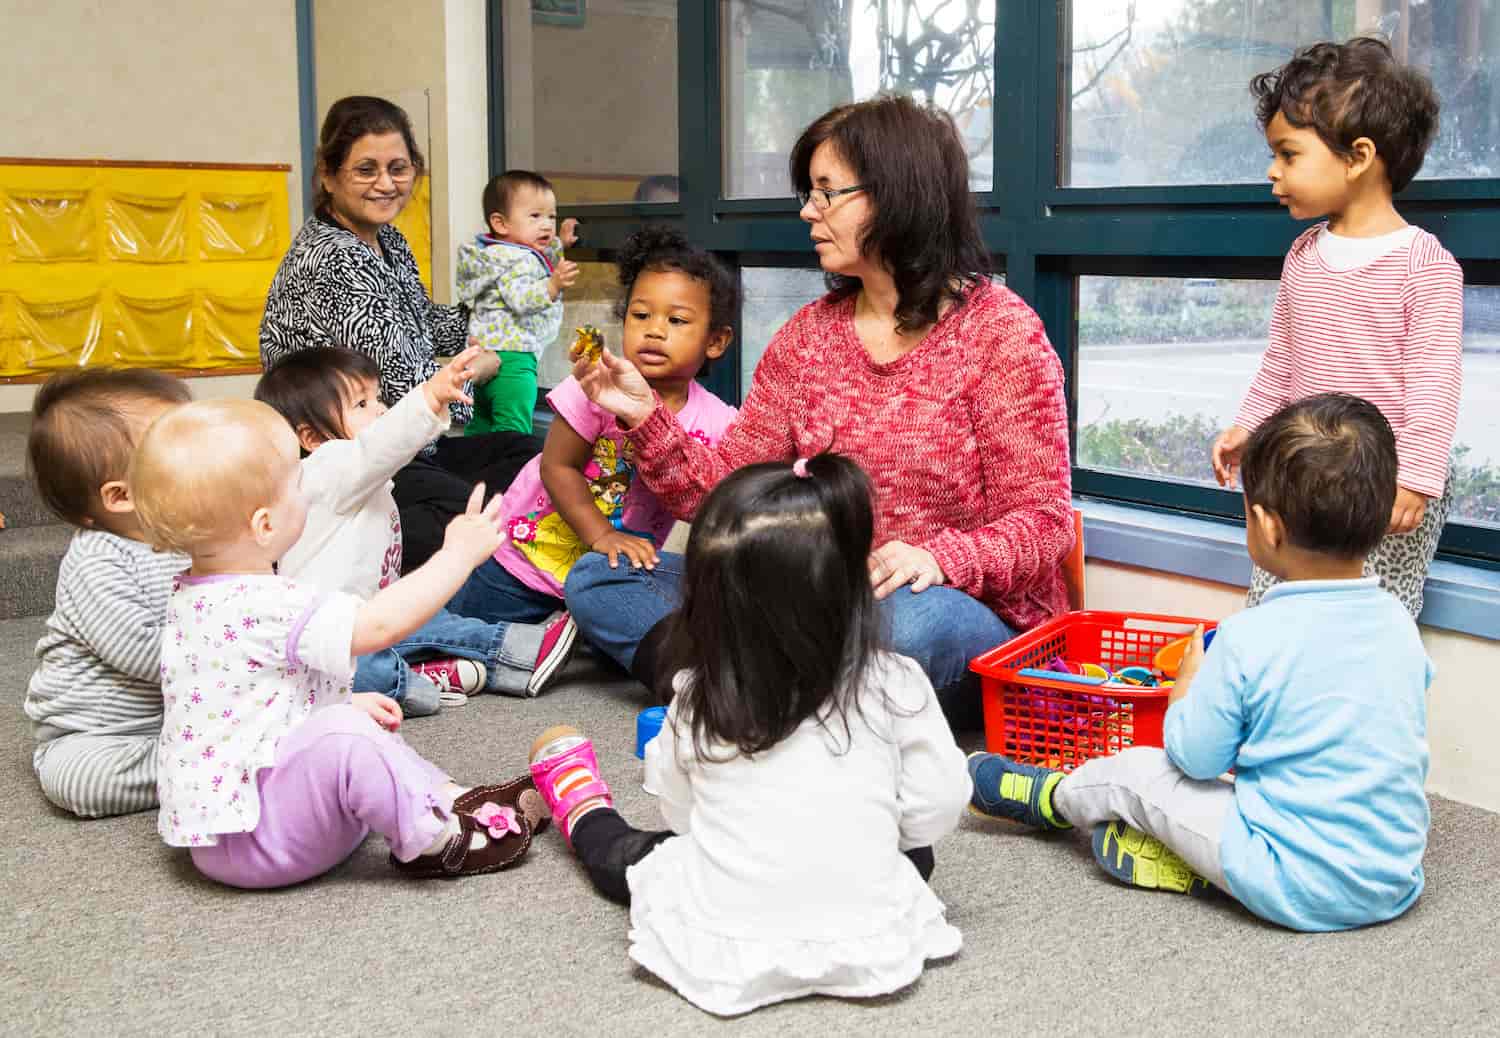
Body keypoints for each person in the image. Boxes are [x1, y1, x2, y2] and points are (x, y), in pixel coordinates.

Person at [565, 95, 1073, 729]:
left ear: (895, 195)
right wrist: (643, 416)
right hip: (810, 599)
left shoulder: (1002, 333)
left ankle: (738, 690)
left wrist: (939, 559)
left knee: (906, 628)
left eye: (827, 192)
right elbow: (724, 496)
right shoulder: (807, 336)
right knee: (601, 578)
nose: (808, 210)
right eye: (810, 193)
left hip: (947, 607)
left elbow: (1044, 521)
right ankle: (784, 697)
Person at [526, 455, 971, 1016]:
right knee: (913, 850)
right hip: (869, 930)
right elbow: (938, 804)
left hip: (728, 936)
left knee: (641, 858)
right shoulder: (899, 682)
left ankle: (584, 807)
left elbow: (682, 818)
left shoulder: (695, 695)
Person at [971, 394, 1431, 933]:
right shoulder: (1400, 625)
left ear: (1267, 526)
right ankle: (1188, 863)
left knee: (1140, 773)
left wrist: (1185, 689)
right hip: (1394, 878)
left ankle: (1055, 798)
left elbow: (1193, 759)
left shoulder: (1249, 635)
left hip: (1290, 878)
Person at [129, 398, 549, 888]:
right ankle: (438, 838)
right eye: (297, 484)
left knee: (357, 723)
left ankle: (446, 794)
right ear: (265, 525)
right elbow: (379, 626)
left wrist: (339, 700)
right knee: (349, 739)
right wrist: (456, 557)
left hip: (226, 838)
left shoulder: (194, 596)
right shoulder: (267, 602)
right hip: (263, 842)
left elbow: (245, 699)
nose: (307, 492)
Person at [1210, 38, 1463, 618]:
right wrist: (1248, 426)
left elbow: (1434, 385)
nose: (1273, 172)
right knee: (1276, 611)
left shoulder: (1424, 265)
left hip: (1382, 488)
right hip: (1302, 475)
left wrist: (1418, 480)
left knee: (1369, 623)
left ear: (1357, 157)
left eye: (1289, 154)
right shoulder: (1302, 255)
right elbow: (1282, 362)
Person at [260, 95, 541, 572]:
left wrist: (496, 318)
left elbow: (427, 322)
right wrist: (482, 367)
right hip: (350, 466)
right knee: (481, 514)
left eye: (399, 168)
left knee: (537, 458)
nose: (386, 184)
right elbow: (401, 386)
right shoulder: (332, 257)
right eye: (366, 169)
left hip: (409, 445)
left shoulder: (388, 240)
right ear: (328, 175)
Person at [253, 345, 578, 713]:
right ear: (312, 439)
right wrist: (429, 397)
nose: (381, 410)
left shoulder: (355, 480)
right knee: (368, 665)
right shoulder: (324, 471)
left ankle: (446, 668)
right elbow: (381, 445)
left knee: (431, 618)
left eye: (378, 399)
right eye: (362, 405)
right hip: (336, 641)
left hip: (372, 619)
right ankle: (457, 669)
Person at [446, 226, 738, 627]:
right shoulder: (595, 384)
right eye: (640, 315)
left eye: (676, 320)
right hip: (524, 558)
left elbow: (717, 501)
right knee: (454, 623)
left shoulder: (719, 421)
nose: (654, 329)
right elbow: (557, 466)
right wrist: (600, 534)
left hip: (610, 572)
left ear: (716, 341)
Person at [22, 370, 191, 818]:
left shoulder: (191, 534)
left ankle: (203, 753)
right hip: (101, 735)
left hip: (183, 707)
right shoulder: (96, 561)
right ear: (120, 497)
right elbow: (142, 653)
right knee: (81, 780)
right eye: (181, 449)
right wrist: (235, 654)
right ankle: (198, 762)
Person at [457, 171, 580, 437]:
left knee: (480, 428)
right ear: (501, 223)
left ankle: (475, 474)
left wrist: (560, 242)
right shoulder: (518, 260)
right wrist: (552, 286)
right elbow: (521, 297)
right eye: (535, 216)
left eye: (551, 216)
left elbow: (540, 255)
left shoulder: (496, 254)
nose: (546, 225)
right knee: (512, 434)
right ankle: (511, 477)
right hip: (514, 360)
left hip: (485, 356)